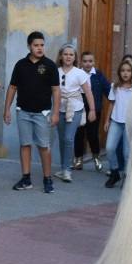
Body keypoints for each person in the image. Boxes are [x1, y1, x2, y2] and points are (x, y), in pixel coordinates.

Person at [5, 32, 61, 193]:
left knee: (44, 146)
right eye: (36, 45)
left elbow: (56, 90)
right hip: (23, 112)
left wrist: (56, 112)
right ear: (29, 46)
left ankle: (47, 179)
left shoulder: (50, 66)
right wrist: (6, 109)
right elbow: (13, 87)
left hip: (42, 114)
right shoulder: (21, 65)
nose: (39, 48)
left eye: (42, 45)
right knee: (25, 145)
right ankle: (26, 178)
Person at [54, 45, 95, 184]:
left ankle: (67, 170)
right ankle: (63, 167)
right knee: (61, 139)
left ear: (75, 57)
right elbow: (51, 91)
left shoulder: (79, 73)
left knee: (68, 138)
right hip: (59, 108)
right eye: (65, 54)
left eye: (71, 54)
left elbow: (88, 92)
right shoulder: (56, 71)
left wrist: (92, 110)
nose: (68, 57)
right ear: (61, 56)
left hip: (75, 108)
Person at [73, 51, 110, 172]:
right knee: (79, 134)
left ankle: (96, 157)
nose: (88, 64)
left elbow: (108, 90)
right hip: (79, 109)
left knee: (92, 135)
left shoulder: (98, 75)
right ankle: (78, 158)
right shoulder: (77, 74)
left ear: (94, 62)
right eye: (85, 61)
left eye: (90, 61)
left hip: (95, 110)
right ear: (81, 62)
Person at [103, 59, 132, 189]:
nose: (125, 73)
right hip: (116, 121)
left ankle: (127, 177)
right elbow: (111, 103)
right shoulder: (115, 87)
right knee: (110, 148)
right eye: (123, 71)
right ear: (119, 73)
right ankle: (115, 172)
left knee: (127, 153)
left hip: (129, 123)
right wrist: (107, 121)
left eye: (128, 71)